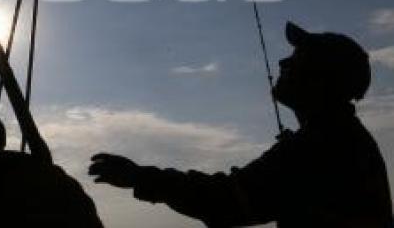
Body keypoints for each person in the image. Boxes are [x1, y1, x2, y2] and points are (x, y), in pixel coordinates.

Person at [89, 21, 393, 227]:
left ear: (323, 78)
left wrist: (139, 177)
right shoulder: (336, 138)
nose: (283, 63)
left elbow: (227, 200)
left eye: (299, 57)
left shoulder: (322, 145)